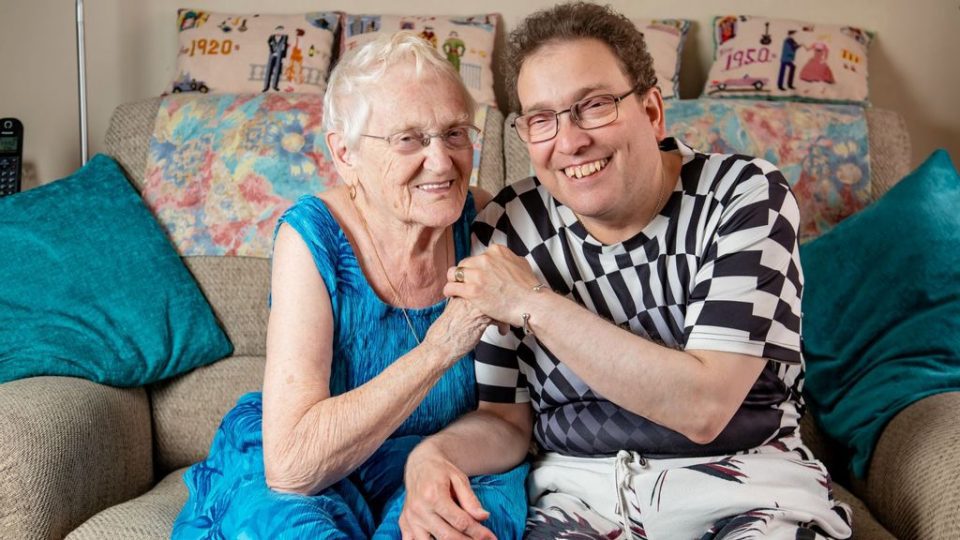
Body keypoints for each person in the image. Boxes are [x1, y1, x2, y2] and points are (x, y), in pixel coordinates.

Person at [400, 3, 853, 539]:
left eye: (593, 106)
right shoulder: (508, 226)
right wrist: (430, 458)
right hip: (579, 497)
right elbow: (506, 422)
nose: (569, 142)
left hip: (746, 486)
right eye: (542, 119)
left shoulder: (744, 198)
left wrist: (534, 304)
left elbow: (703, 407)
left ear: (652, 109)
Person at [173, 32, 528, 539]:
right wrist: (442, 346)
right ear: (345, 155)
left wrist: (432, 458)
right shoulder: (313, 238)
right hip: (320, 456)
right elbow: (294, 465)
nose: (443, 161)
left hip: (451, 449)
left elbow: (508, 420)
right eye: (409, 139)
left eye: (454, 132)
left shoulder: (485, 223)